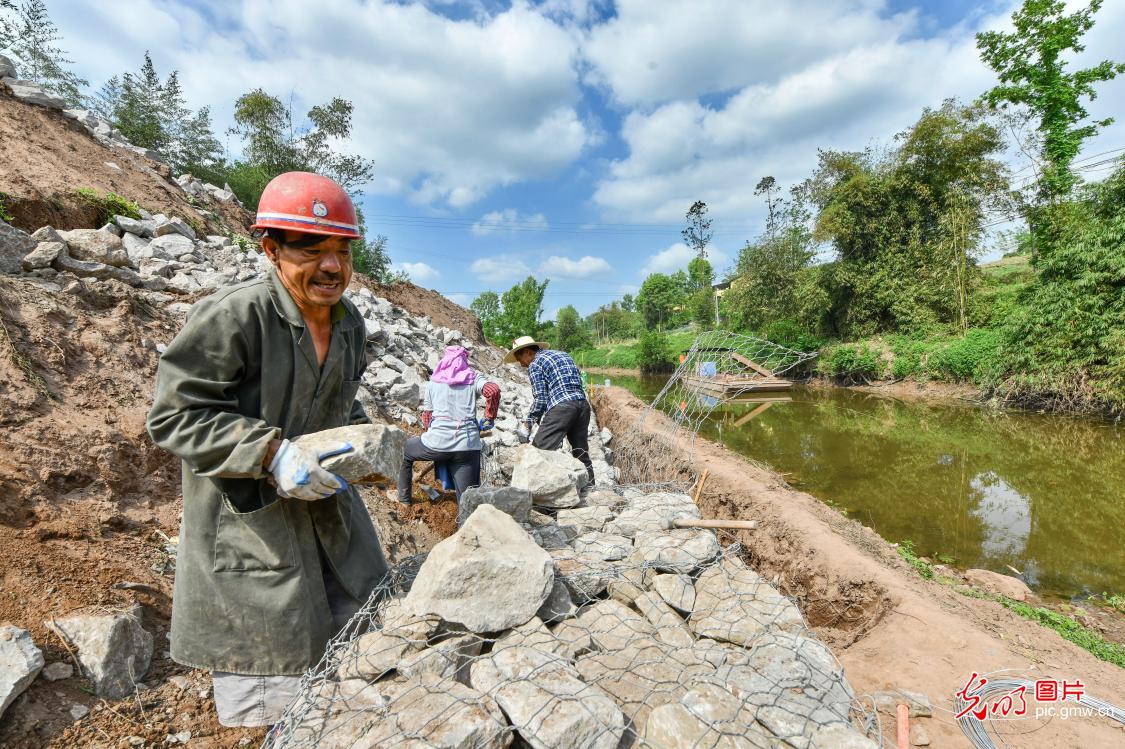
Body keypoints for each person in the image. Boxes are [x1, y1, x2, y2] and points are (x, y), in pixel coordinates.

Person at [146, 171, 389, 728]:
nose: (332, 266)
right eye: (312, 249)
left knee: (356, 662)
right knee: (273, 693)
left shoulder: (348, 323)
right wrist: (271, 453)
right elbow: (176, 416)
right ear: (271, 250)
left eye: (342, 251)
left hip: (332, 522)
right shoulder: (236, 315)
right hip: (252, 533)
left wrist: (369, 449)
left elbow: (341, 405)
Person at [396, 345, 500, 504]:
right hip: (467, 447)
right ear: (465, 360)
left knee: (405, 450)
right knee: (467, 502)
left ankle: (404, 499)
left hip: (437, 444)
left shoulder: (434, 381)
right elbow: (492, 391)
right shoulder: (472, 377)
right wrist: (489, 417)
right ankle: (467, 526)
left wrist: (438, 435)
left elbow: (427, 417)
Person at [505, 335, 594, 486]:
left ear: (527, 352)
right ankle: (590, 489)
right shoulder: (563, 354)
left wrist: (529, 422)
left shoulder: (535, 364)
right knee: (581, 451)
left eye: (519, 358)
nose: (520, 364)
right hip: (583, 405)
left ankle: (535, 495)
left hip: (562, 407)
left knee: (539, 451)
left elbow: (541, 398)